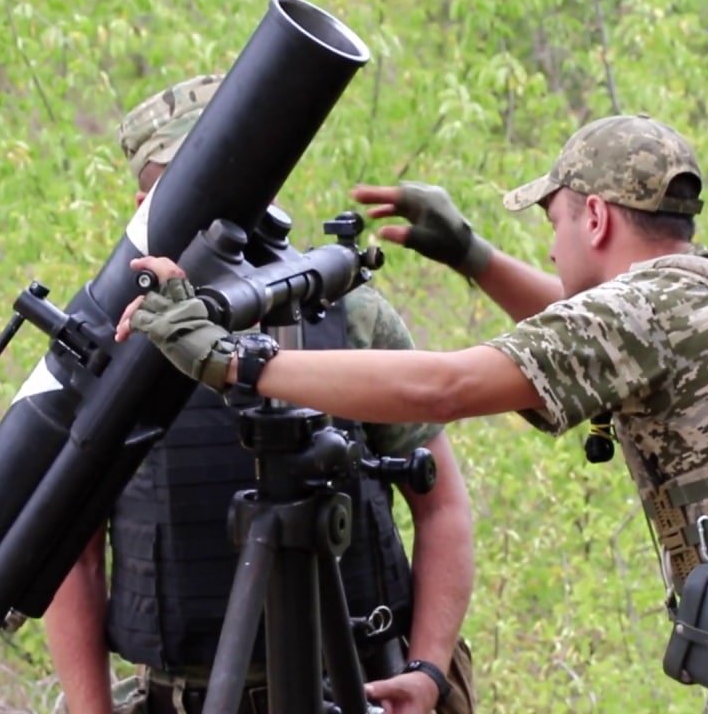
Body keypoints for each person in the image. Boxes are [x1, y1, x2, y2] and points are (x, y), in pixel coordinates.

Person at [118, 113, 708, 712]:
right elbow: (594, 339)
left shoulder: (643, 313)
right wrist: (472, 255)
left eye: (551, 221)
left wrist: (237, 359)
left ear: (592, 218)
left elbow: (446, 387)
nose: (549, 239)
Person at [45, 74, 477, 714]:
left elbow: (440, 506)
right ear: (143, 207)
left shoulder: (344, 312)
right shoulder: (105, 340)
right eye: (190, 194)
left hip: (365, 681)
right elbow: (71, 559)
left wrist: (429, 669)